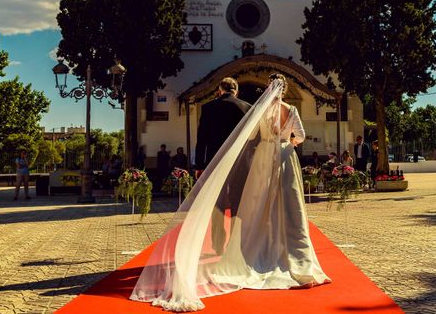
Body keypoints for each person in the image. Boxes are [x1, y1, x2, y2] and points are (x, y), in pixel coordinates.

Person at [130, 74, 330, 311]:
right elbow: (300, 136)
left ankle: (232, 246)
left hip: (255, 162)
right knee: (284, 204)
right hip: (280, 158)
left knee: (254, 204)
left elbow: (242, 137)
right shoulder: (277, 109)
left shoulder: (255, 109)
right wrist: (288, 142)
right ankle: (294, 257)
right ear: (284, 90)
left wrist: (202, 164)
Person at [193, 77, 251, 177]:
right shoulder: (247, 107)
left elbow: (202, 139)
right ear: (236, 92)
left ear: (220, 91)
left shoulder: (208, 107)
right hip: (239, 158)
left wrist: (199, 166)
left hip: (214, 159)